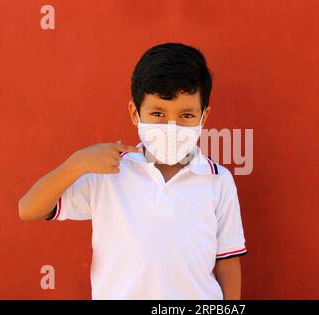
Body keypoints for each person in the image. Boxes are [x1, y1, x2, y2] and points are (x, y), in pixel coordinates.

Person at [18, 42, 248, 300]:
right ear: (134, 113)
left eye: (186, 116)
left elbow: (227, 261)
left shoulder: (218, 180)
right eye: (158, 113)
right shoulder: (107, 170)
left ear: (204, 118)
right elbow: (28, 208)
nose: (171, 126)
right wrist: (77, 162)